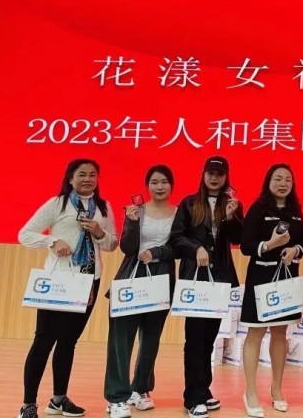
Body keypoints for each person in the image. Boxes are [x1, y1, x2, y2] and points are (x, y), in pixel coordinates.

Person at [18, 159, 118, 418]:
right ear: (71, 179)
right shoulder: (58, 204)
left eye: (92, 175)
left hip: (89, 281)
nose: (87, 179)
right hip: (59, 282)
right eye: (81, 174)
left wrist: (99, 232)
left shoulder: (104, 208)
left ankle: (58, 400)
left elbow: (112, 245)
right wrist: (53, 241)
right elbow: (25, 234)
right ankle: (28, 404)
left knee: (68, 342)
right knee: (43, 341)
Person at [170, 156, 243, 418]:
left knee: (209, 338)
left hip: (219, 278)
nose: (214, 178)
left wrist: (231, 217)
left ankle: (203, 389)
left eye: (219, 174)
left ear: (226, 177)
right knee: (194, 339)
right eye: (210, 173)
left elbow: (239, 240)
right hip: (195, 278)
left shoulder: (232, 204)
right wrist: (196, 248)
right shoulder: (189, 203)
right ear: (203, 174)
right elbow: (176, 237)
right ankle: (193, 397)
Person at [104, 165, 177, 418]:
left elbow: (179, 246)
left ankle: (141, 388)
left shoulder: (179, 213)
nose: (160, 186)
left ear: (171, 185)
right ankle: (116, 397)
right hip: (132, 277)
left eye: (164, 182)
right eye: (154, 182)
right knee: (120, 340)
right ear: (147, 186)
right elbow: (127, 247)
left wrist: (157, 252)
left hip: (161, 278)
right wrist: (133, 223)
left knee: (151, 339)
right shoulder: (136, 211)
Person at [240, 164, 303, 418]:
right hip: (260, 278)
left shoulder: (295, 211)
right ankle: (250, 391)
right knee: (255, 333)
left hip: (286, 279)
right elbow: (246, 246)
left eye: (288, 179)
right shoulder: (258, 208)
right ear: (268, 181)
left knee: (280, 333)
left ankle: (277, 388)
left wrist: (294, 250)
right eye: (278, 179)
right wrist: (270, 244)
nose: (283, 183)